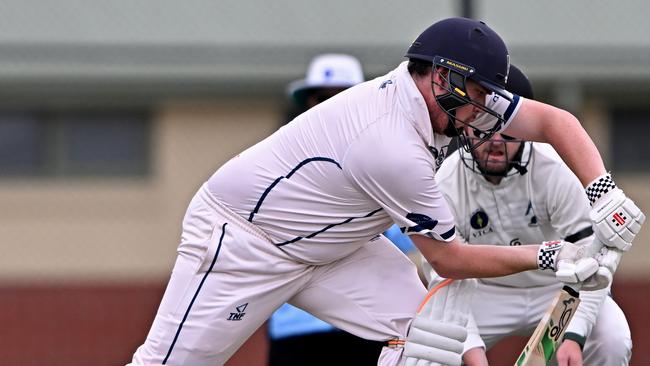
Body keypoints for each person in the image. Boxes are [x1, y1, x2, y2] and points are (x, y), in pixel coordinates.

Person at [127, 17, 644, 366]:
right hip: (244, 241)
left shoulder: (440, 97)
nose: (489, 111)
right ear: (447, 78)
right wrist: (550, 255)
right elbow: (451, 260)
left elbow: (555, 122)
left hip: (336, 247)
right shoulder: (392, 145)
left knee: (437, 341)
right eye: (482, 93)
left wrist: (602, 191)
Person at [422, 65, 632, 366]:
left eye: (505, 130)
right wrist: (473, 356)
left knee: (612, 338)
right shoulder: (447, 181)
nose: (495, 142)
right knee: (429, 348)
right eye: (483, 129)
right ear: (465, 126)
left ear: (525, 126)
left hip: (559, 287)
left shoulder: (557, 169)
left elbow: (593, 262)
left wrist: (573, 335)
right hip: (484, 292)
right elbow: (444, 278)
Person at [268, 53, 404, 366]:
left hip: (364, 322)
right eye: (321, 98)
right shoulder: (277, 162)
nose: (330, 106)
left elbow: (409, 238)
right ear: (307, 105)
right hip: (296, 325)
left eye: (342, 96)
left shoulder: (387, 164)